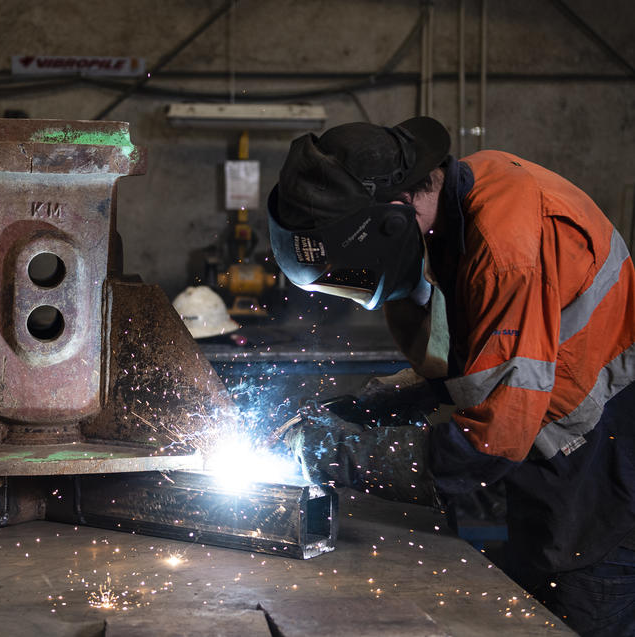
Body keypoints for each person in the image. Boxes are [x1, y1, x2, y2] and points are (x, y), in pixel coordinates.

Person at [267, 116, 635, 636]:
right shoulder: (457, 209)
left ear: (390, 221)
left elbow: (492, 443)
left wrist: (345, 457)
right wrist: (368, 408)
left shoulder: (505, 247)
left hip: (605, 474)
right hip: (557, 458)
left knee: (573, 618)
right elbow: (475, 368)